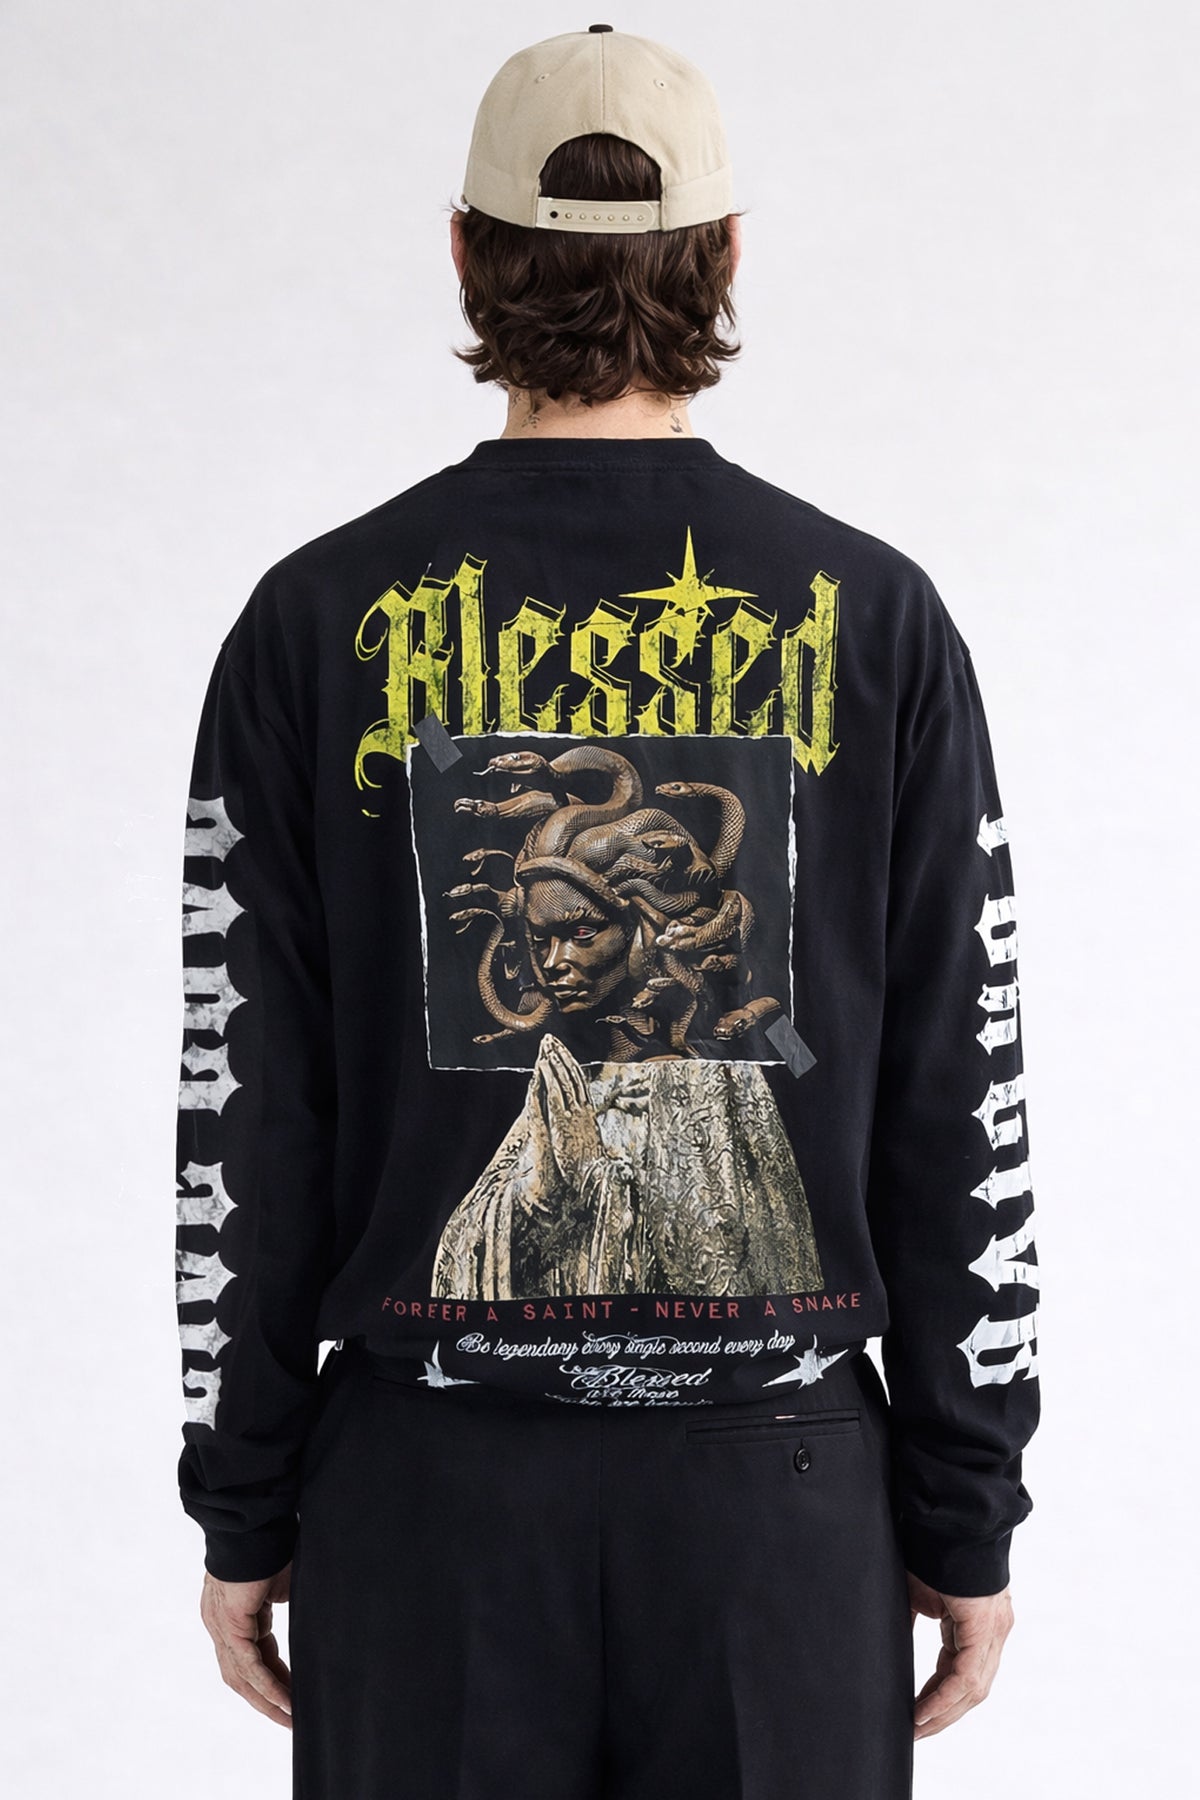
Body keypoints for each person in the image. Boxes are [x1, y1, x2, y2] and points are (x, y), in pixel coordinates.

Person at [174, 25, 1041, 1799]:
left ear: (465, 251)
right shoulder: (876, 617)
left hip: (426, 1497)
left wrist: (244, 1495)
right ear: (725, 255)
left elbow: (246, 1107)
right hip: (779, 1503)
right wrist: (968, 1505)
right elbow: (963, 1088)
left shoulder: (313, 619)